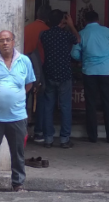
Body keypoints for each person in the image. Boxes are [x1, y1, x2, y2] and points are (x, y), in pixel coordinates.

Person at [0, 30, 36, 193]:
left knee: (17, 153)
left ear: (13, 41)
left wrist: (15, 96)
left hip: (17, 116)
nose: (5, 43)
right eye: (1, 40)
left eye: (8, 40)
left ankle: (18, 184)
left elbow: (29, 84)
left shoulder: (24, 61)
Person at [71, 10, 109, 143]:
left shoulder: (82, 33)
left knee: (90, 103)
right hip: (105, 71)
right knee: (108, 102)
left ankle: (93, 136)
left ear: (85, 21)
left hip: (89, 72)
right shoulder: (107, 31)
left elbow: (74, 54)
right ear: (98, 20)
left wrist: (83, 58)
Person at [39, 9, 79, 149]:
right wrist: (71, 25)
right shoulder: (67, 34)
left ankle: (48, 139)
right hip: (64, 74)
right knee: (65, 107)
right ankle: (64, 139)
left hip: (49, 73)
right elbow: (78, 39)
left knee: (48, 106)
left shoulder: (44, 35)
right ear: (63, 21)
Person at [23, 8, 50, 140]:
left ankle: (22, 131)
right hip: (39, 67)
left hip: (23, 67)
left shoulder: (26, 28)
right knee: (41, 99)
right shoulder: (47, 30)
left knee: (23, 99)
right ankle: (39, 132)